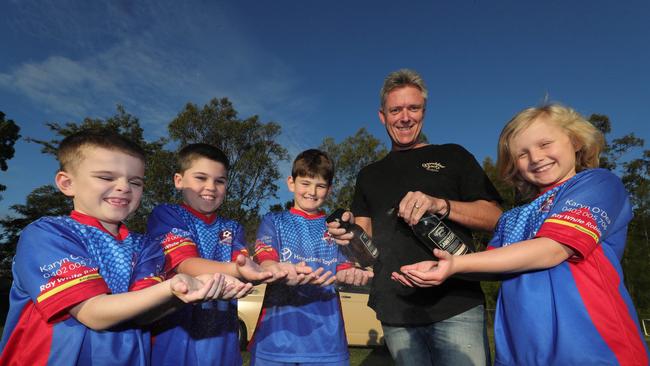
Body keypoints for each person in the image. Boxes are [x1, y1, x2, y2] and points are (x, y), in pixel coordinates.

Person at [394, 104, 650, 365]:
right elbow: (491, 266)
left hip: (592, 350)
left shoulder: (597, 183)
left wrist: (458, 263)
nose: (536, 157)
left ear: (574, 141)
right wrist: (444, 267)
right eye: (522, 154)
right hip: (520, 353)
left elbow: (552, 249)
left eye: (545, 144)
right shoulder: (512, 217)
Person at [0, 130, 228, 366]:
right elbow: (92, 313)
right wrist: (171, 288)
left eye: (135, 181)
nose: (124, 187)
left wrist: (187, 294)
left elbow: (145, 314)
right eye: (107, 177)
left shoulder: (147, 247)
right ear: (67, 183)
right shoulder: (48, 234)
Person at [327, 69, 502, 366]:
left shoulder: (453, 156)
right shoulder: (369, 175)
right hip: (396, 311)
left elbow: (496, 217)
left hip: (456, 303)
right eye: (396, 110)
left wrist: (440, 204)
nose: (405, 117)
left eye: (413, 108)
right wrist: (347, 238)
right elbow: (365, 252)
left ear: (424, 111)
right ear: (382, 116)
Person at [146, 143, 312, 366]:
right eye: (201, 178)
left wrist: (273, 270)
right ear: (179, 180)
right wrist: (238, 270)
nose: (211, 187)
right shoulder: (167, 214)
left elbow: (245, 268)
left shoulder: (232, 228)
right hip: (175, 338)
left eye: (219, 181)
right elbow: (185, 264)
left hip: (223, 340)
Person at [249, 149, 374, 366]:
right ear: (291, 183)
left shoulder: (335, 228)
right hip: (275, 341)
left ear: (330, 190)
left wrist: (353, 274)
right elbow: (266, 259)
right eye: (305, 183)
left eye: (320, 186)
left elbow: (343, 268)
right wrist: (276, 269)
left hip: (327, 343)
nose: (312, 192)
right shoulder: (274, 220)